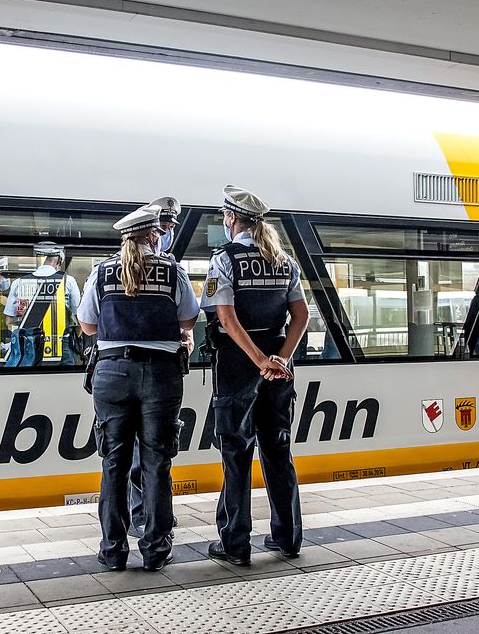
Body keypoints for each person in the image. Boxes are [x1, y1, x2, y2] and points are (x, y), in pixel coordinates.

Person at [78, 205, 199, 572]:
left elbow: (86, 324)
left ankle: (113, 550)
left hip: (112, 373)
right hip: (161, 375)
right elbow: (189, 318)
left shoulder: (101, 273)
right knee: (156, 464)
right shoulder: (172, 270)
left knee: (113, 463)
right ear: (152, 235)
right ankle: (156, 550)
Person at [201, 185, 309, 566]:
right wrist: (280, 358)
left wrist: (259, 360)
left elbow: (225, 319)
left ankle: (236, 543)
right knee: (278, 449)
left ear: (231, 218)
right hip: (281, 365)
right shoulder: (285, 261)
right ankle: (288, 537)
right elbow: (301, 316)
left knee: (236, 451)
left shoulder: (224, 260)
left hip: (238, 364)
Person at [127, 197, 188, 538]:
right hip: (141, 367)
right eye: (164, 227)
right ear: (150, 231)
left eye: (171, 227)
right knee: (141, 450)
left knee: (155, 449)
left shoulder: (168, 264)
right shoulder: (129, 264)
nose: (168, 232)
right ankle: (142, 515)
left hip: (156, 366)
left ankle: (152, 514)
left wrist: (184, 335)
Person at [4, 242, 81, 366]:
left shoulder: (19, 282)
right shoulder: (68, 281)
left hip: (28, 348)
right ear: (59, 260)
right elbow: (79, 319)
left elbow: (9, 321)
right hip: (62, 346)